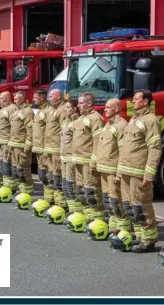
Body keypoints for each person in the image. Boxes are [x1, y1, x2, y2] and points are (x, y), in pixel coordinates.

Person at [117, 89, 162, 253]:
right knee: (130, 206)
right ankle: (139, 236)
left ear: (145, 102)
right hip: (126, 170)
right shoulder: (133, 120)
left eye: (136, 99)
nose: (133, 102)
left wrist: (149, 174)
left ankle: (149, 239)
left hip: (138, 171)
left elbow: (155, 149)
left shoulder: (151, 121)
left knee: (141, 206)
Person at [92, 98, 128, 234]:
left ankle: (123, 229)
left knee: (115, 200)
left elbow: (123, 152)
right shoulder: (108, 125)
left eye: (108, 107)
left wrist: (119, 173)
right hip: (104, 169)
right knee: (108, 200)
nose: (104, 109)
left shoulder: (121, 126)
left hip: (113, 170)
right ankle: (113, 228)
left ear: (117, 109)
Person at [72, 92, 105, 222]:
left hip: (87, 161)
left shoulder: (95, 118)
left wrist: (94, 159)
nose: (78, 106)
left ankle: (97, 219)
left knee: (91, 191)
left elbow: (98, 141)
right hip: (78, 160)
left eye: (81, 103)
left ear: (89, 103)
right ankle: (87, 217)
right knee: (81, 191)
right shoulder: (80, 119)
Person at [43, 89, 68, 207]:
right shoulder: (53, 110)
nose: (49, 98)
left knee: (58, 175)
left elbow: (65, 131)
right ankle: (54, 200)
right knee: (51, 175)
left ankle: (61, 204)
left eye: (51, 96)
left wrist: (62, 150)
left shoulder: (62, 110)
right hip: (49, 148)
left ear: (59, 96)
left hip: (56, 149)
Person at [8, 91, 34, 195]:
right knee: (16, 169)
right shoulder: (17, 111)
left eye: (16, 99)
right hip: (14, 144)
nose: (14, 101)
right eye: (14, 99)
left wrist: (27, 145)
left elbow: (30, 129)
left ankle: (27, 192)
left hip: (21, 145)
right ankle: (20, 190)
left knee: (23, 169)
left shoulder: (27, 111)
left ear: (23, 99)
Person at [0, 91, 18, 190]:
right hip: (0, 140)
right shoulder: (2, 109)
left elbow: (14, 126)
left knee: (7, 162)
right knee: (2, 162)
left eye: (1, 98)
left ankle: (11, 186)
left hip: (6, 140)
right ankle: (5, 183)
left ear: (8, 98)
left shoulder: (12, 109)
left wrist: (10, 141)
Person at [60, 99, 80, 213]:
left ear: (75, 108)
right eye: (65, 107)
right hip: (64, 157)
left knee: (71, 184)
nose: (66, 110)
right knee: (65, 184)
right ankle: (70, 207)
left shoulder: (76, 122)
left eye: (68, 107)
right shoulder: (65, 122)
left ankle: (75, 210)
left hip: (71, 158)